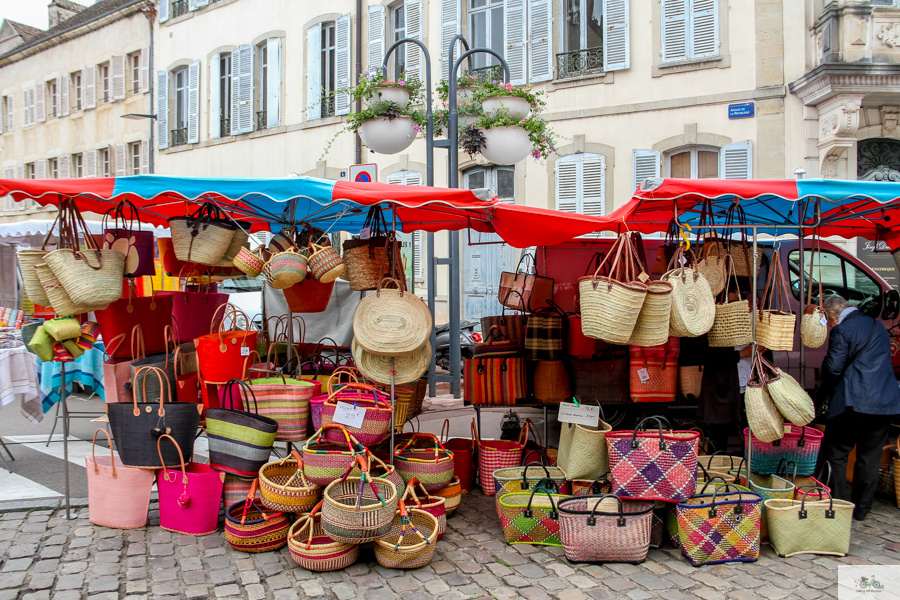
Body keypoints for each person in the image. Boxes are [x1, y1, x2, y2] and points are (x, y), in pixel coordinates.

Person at [819, 295, 900, 521]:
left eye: (827, 321)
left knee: (836, 452)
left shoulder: (841, 330)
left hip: (853, 402)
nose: (828, 326)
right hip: (884, 402)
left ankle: (836, 506)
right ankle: (862, 509)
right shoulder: (878, 326)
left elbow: (833, 369)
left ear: (833, 315)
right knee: (870, 457)